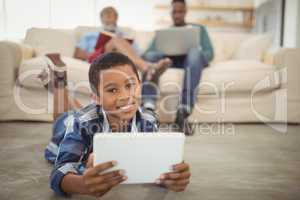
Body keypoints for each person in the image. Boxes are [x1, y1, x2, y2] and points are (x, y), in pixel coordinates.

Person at [45, 52, 191, 197]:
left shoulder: (149, 120)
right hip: (69, 126)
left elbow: (152, 161)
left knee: (81, 113)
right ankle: (59, 83)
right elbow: (59, 172)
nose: (125, 97)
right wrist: (82, 184)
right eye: (113, 90)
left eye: (130, 85)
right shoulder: (80, 123)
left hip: (96, 112)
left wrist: (171, 175)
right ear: (96, 97)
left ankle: (65, 93)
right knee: (62, 117)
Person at [143, 0, 214, 136]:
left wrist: (194, 50)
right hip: (171, 61)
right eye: (174, 12)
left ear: (185, 12)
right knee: (152, 56)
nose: (177, 15)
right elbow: (147, 54)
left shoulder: (199, 29)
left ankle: (183, 112)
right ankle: (148, 108)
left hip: (192, 61)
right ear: (171, 13)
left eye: (180, 11)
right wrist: (166, 52)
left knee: (194, 53)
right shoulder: (166, 32)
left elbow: (209, 53)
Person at [74, 6, 171, 76]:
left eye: (113, 16)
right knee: (115, 40)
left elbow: (139, 53)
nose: (110, 19)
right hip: (99, 57)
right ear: (101, 18)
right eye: (107, 16)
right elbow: (77, 54)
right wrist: (93, 54)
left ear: (117, 18)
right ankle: (147, 68)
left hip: (120, 59)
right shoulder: (90, 35)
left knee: (120, 41)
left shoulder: (124, 35)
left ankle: (150, 67)